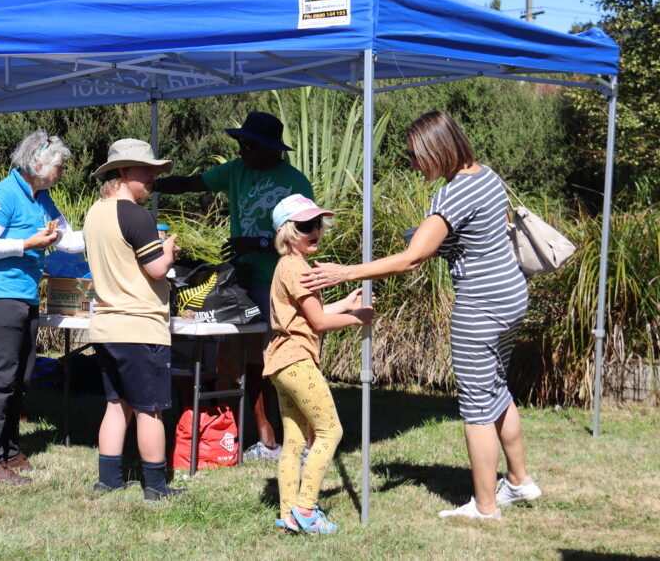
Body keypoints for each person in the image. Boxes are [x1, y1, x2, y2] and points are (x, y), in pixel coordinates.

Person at [306, 110, 542, 520]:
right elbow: (487, 232)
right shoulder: (486, 176)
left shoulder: (452, 195)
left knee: (475, 406)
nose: (412, 164)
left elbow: (413, 259)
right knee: (496, 388)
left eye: (415, 156)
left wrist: (346, 272)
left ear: (436, 151)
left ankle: (486, 508)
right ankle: (519, 482)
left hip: (482, 304)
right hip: (511, 296)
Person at [155, 111, 313, 461]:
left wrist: (256, 244)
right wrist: (146, 182)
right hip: (241, 285)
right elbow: (191, 183)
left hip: (282, 284)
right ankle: (266, 438)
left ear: (272, 149)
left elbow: (306, 237)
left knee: (290, 363)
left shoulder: (295, 182)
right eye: (240, 144)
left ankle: (307, 440)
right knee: (251, 363)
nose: (242, 151)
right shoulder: (235, 171)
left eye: (249, 145)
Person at [0, 131, 84, 485]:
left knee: (20, 380)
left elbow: (71, 241)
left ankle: (8, 449)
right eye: (60, 166)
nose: (64, 172)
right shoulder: (4, 194)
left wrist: (109, 222)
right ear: (38, 164)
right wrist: (26, 243)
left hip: (25, 298)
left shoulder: (42, 198)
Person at [84, 139, 184, 501]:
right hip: (140, 326)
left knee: (116, 404)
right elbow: (157, 269)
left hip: (106, 325)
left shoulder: (95, 212)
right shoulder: (137, 215)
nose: (155, 177)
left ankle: (108, 479)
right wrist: (168, 250)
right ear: (124, 172)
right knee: (150, 410)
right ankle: (156, 487)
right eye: (148, 171)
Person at [265, 194, 371, 534]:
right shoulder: (297, 267)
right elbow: (319, 323)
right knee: (330, 430)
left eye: (318, 224)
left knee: (294, 442)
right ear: (286, 232)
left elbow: (310, 316)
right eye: (306, 225)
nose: (316, 231)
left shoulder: (289, 266)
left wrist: (345, 303)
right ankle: (306, 510)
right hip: (296, 360)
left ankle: (287, 515)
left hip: (281, 361)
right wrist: (357, 317)